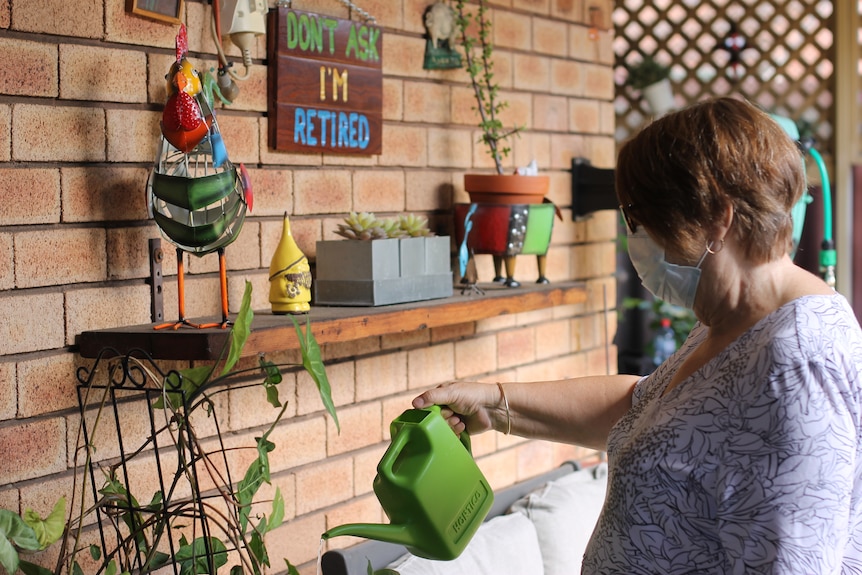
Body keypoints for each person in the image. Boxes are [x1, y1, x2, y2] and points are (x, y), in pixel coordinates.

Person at [413, 97, 862, 573]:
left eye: (640, 218)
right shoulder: (733, 321)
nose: (636, 236)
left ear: (718, 218)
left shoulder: (795, 365)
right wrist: (494, 403)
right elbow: (645, 410)